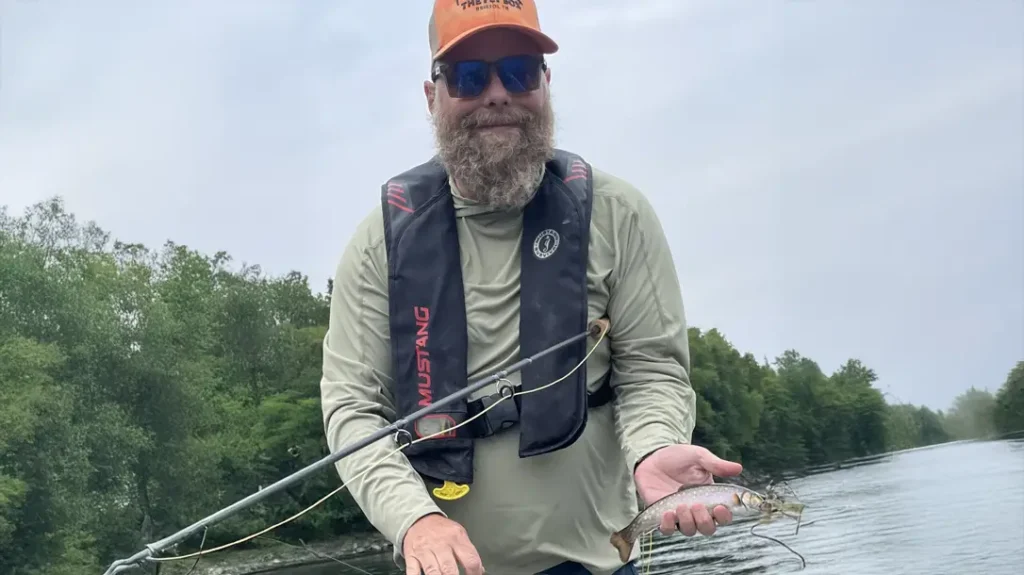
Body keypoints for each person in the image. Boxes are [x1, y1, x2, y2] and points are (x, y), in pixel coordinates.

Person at [319, 1, 743, 574]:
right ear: (432, 96)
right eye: (469, 76)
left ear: (545, 84)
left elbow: (652, 372)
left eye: (518, 70)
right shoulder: (379, 245)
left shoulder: (619, 215)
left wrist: (656, 447)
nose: (497, 93)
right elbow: (353, 409)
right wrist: (413, 521)